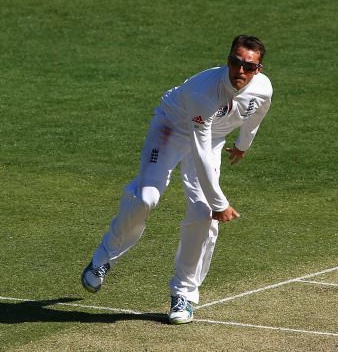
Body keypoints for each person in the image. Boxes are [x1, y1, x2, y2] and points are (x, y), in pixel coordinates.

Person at [81, 35, 273, 324]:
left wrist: (244, 144)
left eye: (248, 66)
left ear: (258, 69)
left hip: (214, 137)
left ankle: (183, 294)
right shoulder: (204, 91)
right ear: (228, 59)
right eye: (235, 62)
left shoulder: (263, 89)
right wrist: (220, 202)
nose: (240, 70)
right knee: (147, 197)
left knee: (202, 214)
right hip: (171, 127)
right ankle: (102, 258)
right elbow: (200, 151)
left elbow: (256, 115)